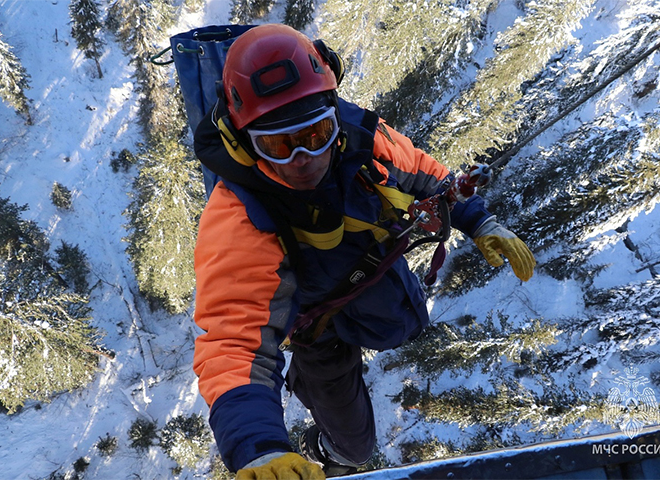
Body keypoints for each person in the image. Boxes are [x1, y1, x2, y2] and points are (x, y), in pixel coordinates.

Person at [192, 23, 536, 479]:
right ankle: (326, 446)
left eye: (314, 134)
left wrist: (478, 218)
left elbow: (420, 171)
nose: (303, 158)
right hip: (317, 328)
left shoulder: (357, 134)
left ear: (333, 115)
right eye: (277, 145)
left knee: (402, 321)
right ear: (245, 145)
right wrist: (258, 449)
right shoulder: (240, 216)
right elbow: (234, 344)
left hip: (365, 281)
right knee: (355, 449)